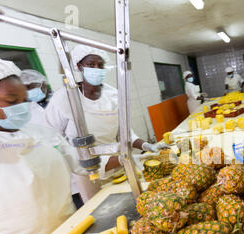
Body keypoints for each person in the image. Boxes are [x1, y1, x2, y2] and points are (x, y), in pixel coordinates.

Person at [0, 58, 120, 234]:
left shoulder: (43, 135)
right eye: (11, 100)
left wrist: (125, 158)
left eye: (25, 100)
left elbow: (85, 164)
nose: (22, 107)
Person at [45, 45, 164, 206]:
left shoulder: (113, 95)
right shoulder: (64, 98)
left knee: (129, 203)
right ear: (79, 66)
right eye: (91, 64)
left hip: (119, 163)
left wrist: (146, 145)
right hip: (87, 171)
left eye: (100, 65)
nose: (97, 69)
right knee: (101, 209)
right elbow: (53, 139)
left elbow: (125, 132)